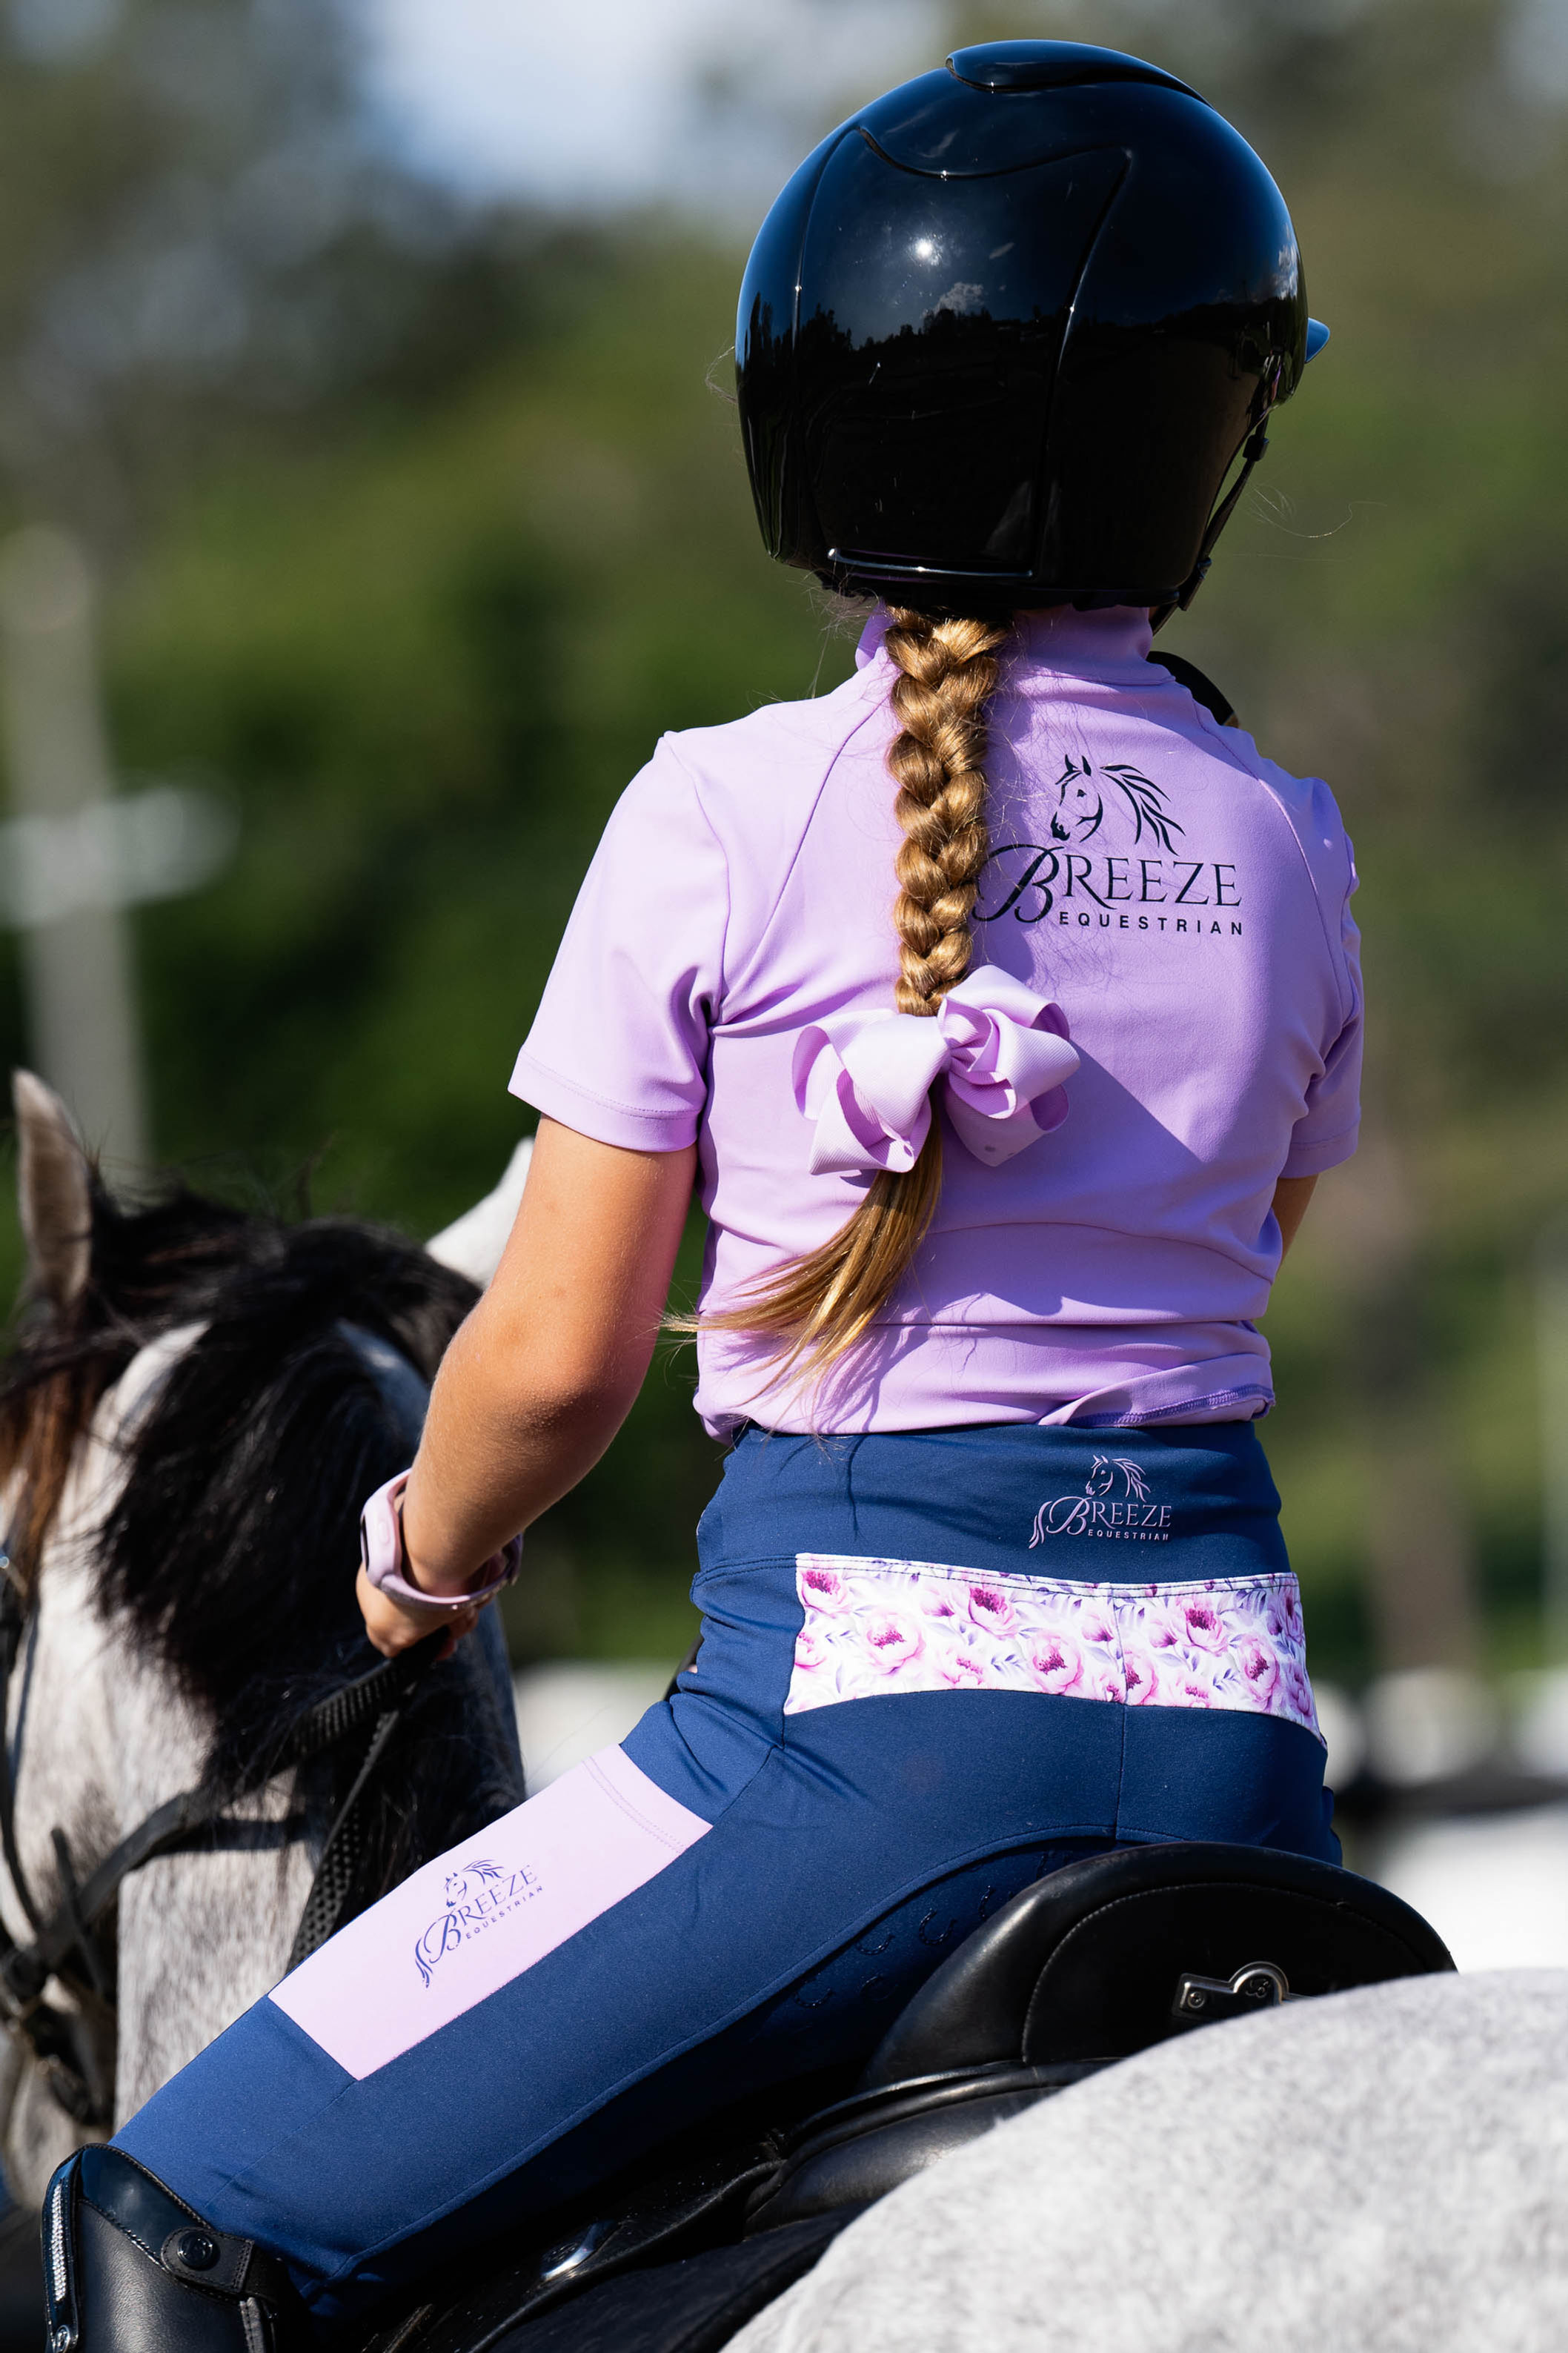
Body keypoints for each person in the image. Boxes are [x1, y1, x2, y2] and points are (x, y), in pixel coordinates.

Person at [47, 39, 1359, 2351]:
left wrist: (412, 1569)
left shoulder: (720, 812)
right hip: (1241, 1763)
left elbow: (551, 1369)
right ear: (1209, 436)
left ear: (816, 423)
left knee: (167, 2214)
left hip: (854, 1758)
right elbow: (1247, 1274)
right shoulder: (1289, 839)